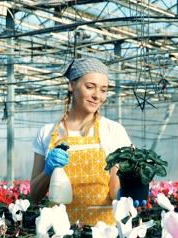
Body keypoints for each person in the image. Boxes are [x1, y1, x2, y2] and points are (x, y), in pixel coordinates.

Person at [30, 58, 139, 226]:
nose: (97, 96)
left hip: (103, 233)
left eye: (103, 90)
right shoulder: (46, 133)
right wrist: (47, 171)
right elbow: (34, 196)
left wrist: (131, 194)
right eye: (90, 87)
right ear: (72, 86)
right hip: (59, 234)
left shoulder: (113, 130)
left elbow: (115, 189)